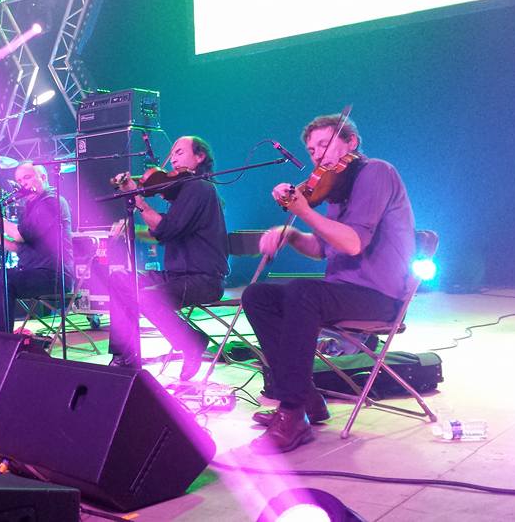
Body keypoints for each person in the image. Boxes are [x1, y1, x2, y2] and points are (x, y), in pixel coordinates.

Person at [241, 114, 415, 454]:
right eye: (311, 149)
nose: (318, 156)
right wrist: (290, 234)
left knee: (302, 292)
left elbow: (352, 244)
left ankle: (291, 412)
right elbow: (323, 248)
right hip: (344, 291)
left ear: (350, 142)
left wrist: (303, 211)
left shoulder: (375, 172)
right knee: (257, 295)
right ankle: (306, 399)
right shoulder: (336, 189)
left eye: (324, 144)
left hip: (380, 295)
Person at [107, 136, 229, 381]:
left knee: (149, 297)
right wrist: (139, 197)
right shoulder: (184, 191)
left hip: (203, 278)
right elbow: (162, 231)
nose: (172, 158)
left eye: (180, 152)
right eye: (172, 153)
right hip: (177, 275)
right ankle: (125, 355)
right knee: (120, 278)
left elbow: (166, 230)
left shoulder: (200, 187)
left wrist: (139, 200)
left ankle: (192, 342)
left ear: (199, 157)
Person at [0, 163, 74, 332]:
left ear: (43, 177)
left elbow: (20, 235)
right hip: (29, 270)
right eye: (19, 180)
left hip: (54, 275)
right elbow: (17, 247)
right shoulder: (28, 207)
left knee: (3, 281)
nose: (23, 184)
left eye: (27, 177)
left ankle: (0, 340)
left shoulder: (52, 202)